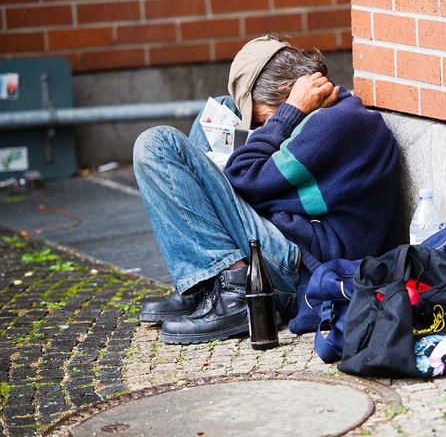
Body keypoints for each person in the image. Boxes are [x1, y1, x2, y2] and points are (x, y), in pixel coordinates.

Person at [134, 35, 400, 344]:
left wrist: (286, 116)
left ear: (289, 95)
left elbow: (245, 176)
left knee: (159, 143)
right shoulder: (329, 116)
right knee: (221, 109)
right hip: (289, 233)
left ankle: (234, 295)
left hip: (299, 264)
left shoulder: (334, 125)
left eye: (263, 119)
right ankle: (205, 284)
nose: (263, 128)